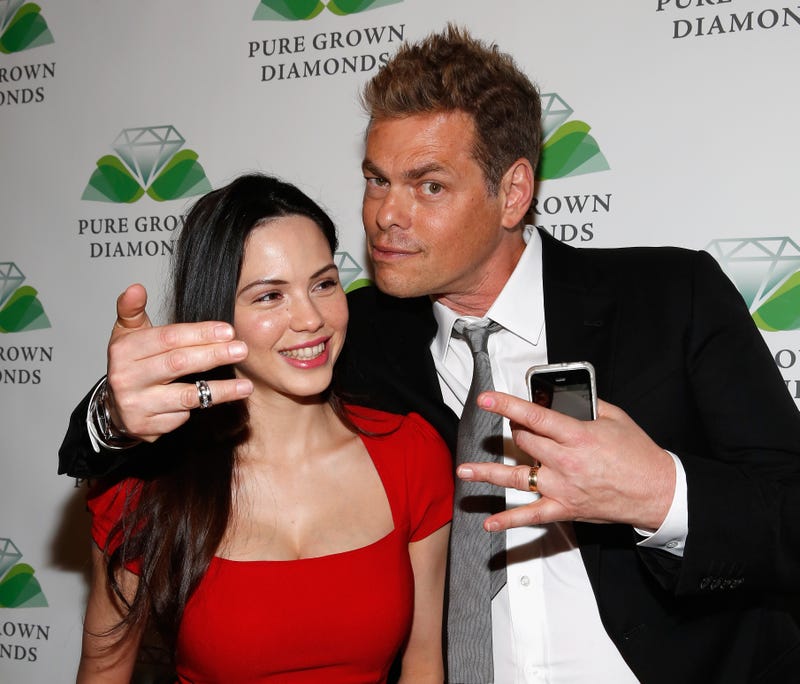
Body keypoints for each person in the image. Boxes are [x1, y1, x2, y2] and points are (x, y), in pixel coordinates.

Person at [60, 25, 800, 683]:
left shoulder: (670, 297)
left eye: (428, 185)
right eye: (377, 179)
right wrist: (108, 410)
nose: (387, 214)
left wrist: (660, 495)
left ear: (512, 194)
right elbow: (157, 445)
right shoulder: (348, 336)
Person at [75, 174, 452, 683]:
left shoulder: (410, 453)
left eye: (323, 283)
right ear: (216, 315)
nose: (310, 319)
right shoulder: (151, 483)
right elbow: (103, 674)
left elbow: (424, 666)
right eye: (269, 297)